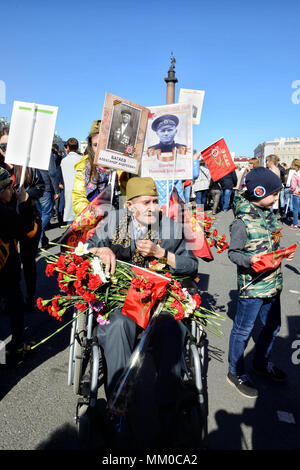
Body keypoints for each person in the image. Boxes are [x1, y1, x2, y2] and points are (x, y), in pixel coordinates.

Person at [86, 176, 198, 433]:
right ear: (130, 206)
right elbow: (87, 248)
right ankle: (118, 405)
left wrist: (163, 255)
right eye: (145, 202)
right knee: (117, 326)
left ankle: (168, 407)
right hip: (121, 299)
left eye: (155, 201)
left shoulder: (170, 228)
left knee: (171, 329)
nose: (152, 207)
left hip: (159, 302)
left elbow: (192, 266)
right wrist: (101, 252)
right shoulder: (114, 222)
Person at [227, 167, 295, 398]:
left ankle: (260, 363)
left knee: (272, 326)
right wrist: (249, 259)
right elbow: (233, 253)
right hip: (252, 286)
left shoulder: (270, 214)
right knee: (243, 331)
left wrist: (283, 253)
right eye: (273, 194)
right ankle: (235, 371)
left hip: (273, 284)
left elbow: (271, 243)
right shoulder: (241, 222)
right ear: (258, 192)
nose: (277, 198)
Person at [0, 168, 35, 362]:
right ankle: (16, 347)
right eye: (9, 188)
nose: (12, 191)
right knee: (15, 306)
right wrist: (24, 203)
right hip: (6, 269)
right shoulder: (4, 214)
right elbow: (26, 229)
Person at [72, 120, 111, 217]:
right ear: (90, 146)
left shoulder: (121, 168)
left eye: (104, 144)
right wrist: (93, 213)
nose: (100, 149)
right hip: (95, 223)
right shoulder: (84, 168)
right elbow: (78, 200)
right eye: (96, 145)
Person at [60, 137, 82, 225]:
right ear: (77, 147)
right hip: (80, 190)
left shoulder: (64, 161)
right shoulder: (82, 159)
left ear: (68, 147)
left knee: (70, 214)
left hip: (68, 189)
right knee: (80, 215)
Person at [289, 159, 300, 229]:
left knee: (295, 209)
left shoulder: (295, 175)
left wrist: (291, 190)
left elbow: (293, 186)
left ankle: (295, 224)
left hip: (297, 193)